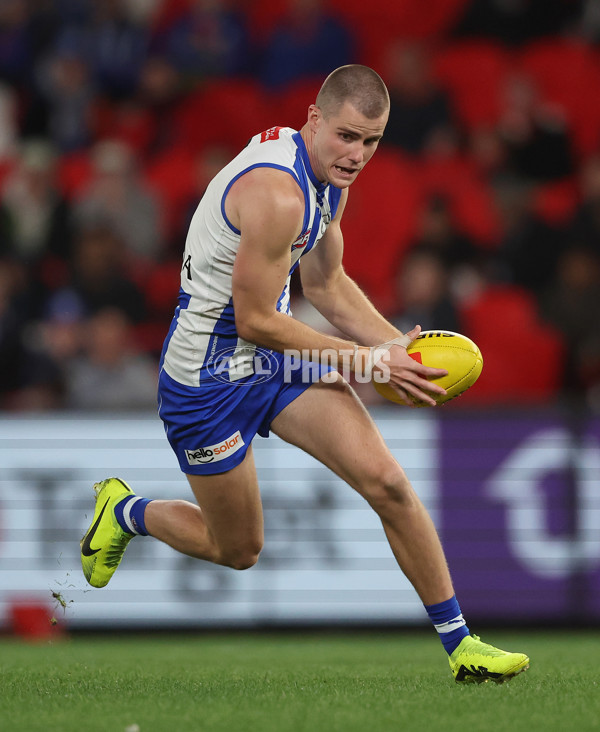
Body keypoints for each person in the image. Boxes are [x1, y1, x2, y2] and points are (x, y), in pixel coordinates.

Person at [80, 65, 529, 684]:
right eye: (347, 136)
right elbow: (256, 318)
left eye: (371, 142)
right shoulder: (278, 193)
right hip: (205, 381)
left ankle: (462, 645)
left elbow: (325, 284)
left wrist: (394, 343)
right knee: (236, 550)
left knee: (389, 483)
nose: (357, 155)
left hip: (272, 362)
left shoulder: (328, 181)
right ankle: (125, 512)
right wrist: (372, 362)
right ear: (314, 119)